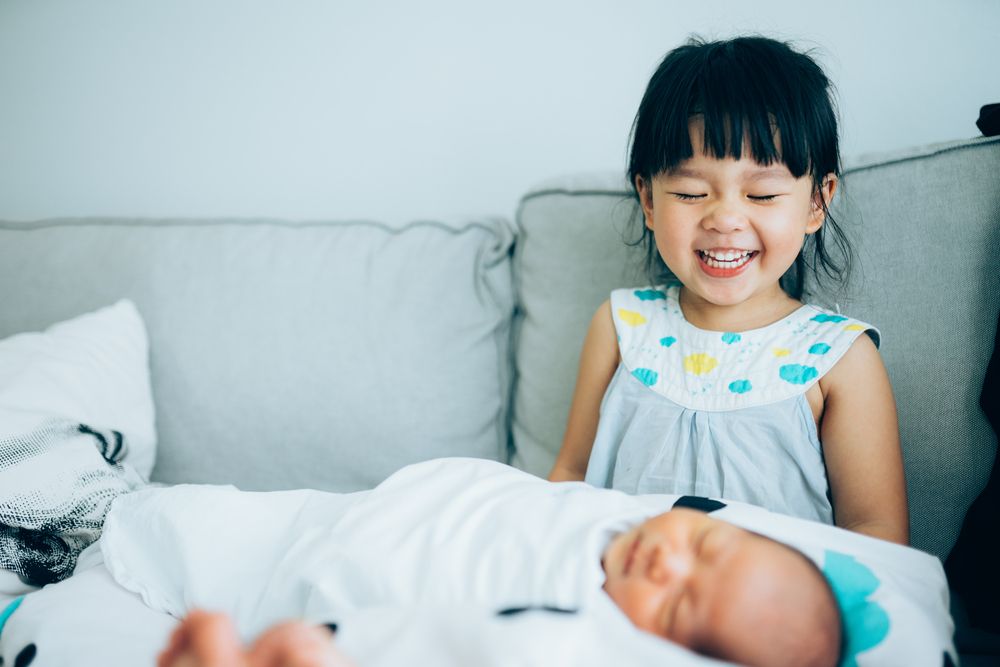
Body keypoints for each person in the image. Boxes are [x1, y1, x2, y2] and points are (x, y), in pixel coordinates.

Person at [547, 36, 909, 545]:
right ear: (648, 200)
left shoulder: (838, 358)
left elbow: (876, 534)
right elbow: (569, 478)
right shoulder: (621, 326)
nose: (725, 219)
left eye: (761, 193)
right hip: (618, 600)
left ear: (816, 203)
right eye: (691, 193)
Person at [100, 459, 842, 667]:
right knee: (184, 515)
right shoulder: (627, 510)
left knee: (197, 537)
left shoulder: (576, 635)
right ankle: (107, 511)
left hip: (349, 577)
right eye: (702, 546)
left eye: (677, 607)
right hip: (354, 511)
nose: (665, 563)